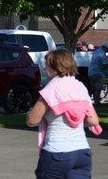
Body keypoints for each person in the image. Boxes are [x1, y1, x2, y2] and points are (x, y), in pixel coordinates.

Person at [27, 49, 101, 179]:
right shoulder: (80, 87)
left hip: (57, 153)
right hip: (82, 152)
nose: (45, 68)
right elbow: (93, 121)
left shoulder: (50, 89)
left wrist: (30, 112)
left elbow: (32, 120)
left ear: (56, 68)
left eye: (47, 65)